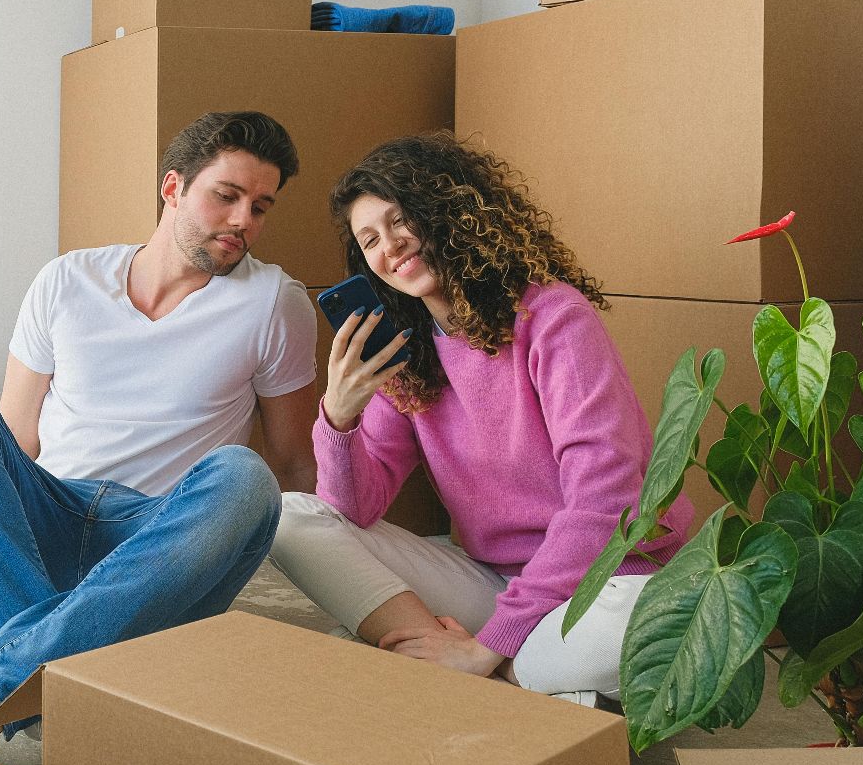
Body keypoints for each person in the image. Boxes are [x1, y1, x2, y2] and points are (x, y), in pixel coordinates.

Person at [0, 111, 319, 751]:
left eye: (260, 207)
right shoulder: (68, 279)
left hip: (159, 545)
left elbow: (292, 467)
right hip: (48, 521)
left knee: (245, 477)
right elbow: (14, 441)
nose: (243, 221)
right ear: (173, 188)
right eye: (226, 196)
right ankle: (57, 668)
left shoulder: (276, 303)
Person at [268, 132, 692, 708]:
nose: (390, 246)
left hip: (611, 579)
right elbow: (353, 511)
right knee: (292, 518)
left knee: (651, 635)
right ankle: (502, 672)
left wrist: (487, 645)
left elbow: (605, 500)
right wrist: (338, 418)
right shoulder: (409, 353)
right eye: (370, 240)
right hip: (493, 580)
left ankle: (479, 667)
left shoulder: (553, 318)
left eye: (400, 220)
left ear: (448, 211)